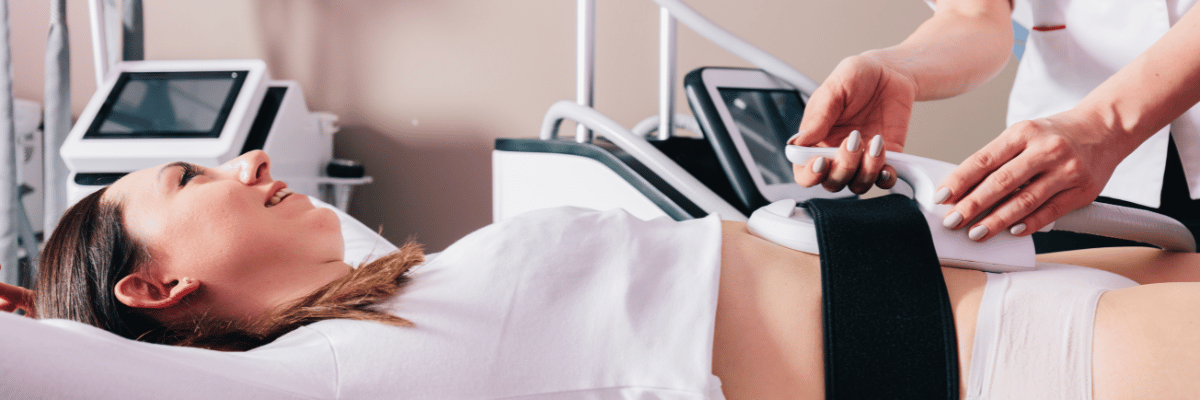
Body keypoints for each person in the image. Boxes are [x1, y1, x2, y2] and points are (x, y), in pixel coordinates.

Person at [1, 149, 1200, 399]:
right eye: (186, 180)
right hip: (1018, 360)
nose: (246, 158)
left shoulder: (393, 298)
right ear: (150, 292)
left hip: (1014, 282)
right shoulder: (340, 377)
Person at [789, 0, 1200, 252]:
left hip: (1082, 144)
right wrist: (897, 71)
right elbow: (973, 12)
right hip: (1059, 175)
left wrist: (1104, 125)